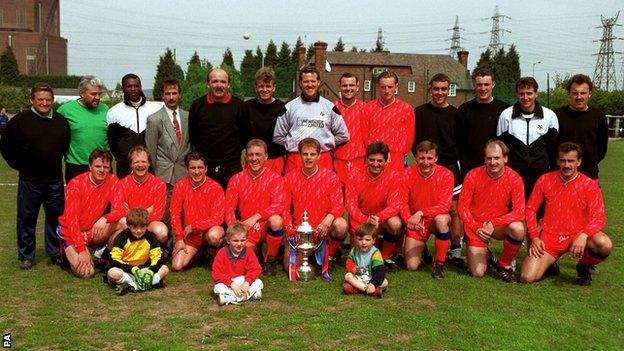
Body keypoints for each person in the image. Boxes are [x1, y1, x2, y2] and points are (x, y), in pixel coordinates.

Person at [0, 82, 70, 269]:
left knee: (55, 219)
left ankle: (55, 253)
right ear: (32, 99)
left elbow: (64, 146)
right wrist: (19, 165)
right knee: (26, 219)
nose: (44, 103)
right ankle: (26, 255)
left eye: (48, 100)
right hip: (29, 181)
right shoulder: (19, 121)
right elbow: (5, 147)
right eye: (40, 99)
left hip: (54, 181)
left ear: (53, 101)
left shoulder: (61, 121)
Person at [520, 142, 611, 285]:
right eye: (563, 160)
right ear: (557, 161)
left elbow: (599, 217)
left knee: (604, 244)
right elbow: (530, 209)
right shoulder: (545, 180)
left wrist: (584, 235)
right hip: (550, 238)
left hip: (578, 236)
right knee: (527, 277)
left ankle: (584, 266)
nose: (566, 165)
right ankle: (550, 264)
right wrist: (535, 237)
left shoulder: (589, 185)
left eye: (571, 161)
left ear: (579, 162)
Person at [413, 73, 464, 267]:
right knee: (420, 204)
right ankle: (422, 244)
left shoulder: (456, 114)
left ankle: (455, 250)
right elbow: (414, 141)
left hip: (449, 167)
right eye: (436, 88)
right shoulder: (419, 112)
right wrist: (423, 160)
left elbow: (461, 141)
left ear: (448, 90)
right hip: (424, 167)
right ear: (430, 89)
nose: (440, 92)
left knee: (453, 210)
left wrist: (450, 159)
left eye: (444, 89)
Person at [458, 140, 525, 282]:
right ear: (484, 159)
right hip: (476, 226)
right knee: (478, 272)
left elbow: (519, 211)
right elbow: (462, 208)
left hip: (498, 225)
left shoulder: (515, 178)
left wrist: (493, 223)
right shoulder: (472, 175)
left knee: (518, 228)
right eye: (489, 158)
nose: (492, 162)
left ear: (505, 158)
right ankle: (487, 255)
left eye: (497, 158)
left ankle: (503, 265)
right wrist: (476, 228)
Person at [283, 138, 348, 282]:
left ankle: (330, 253)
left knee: (341, 225)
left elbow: (338, 205)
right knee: (290, 267)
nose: (308, 157)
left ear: (319, 156)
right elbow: (284, 209)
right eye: (305, 154)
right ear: (299, 155)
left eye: (312, 154)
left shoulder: (331, 177)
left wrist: (327, 220)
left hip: (322, 230)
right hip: (300, 233)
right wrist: (290, 230)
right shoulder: (289, 178)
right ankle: (308, 256)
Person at [56, 148, 120, 277]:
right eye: (98, 166)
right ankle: (66, 251)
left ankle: (104, 256)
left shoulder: (113, 180)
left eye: (106, 167)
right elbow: (71, 220)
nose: (102, 170)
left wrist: (105, 218)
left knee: (124, 223)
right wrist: (81, 250)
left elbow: (121, 210)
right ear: (90, 166)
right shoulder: (76, 184)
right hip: (70, 232)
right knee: (87, 273)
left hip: (91, 230)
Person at [224, 139, 285, 275]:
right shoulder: (236, 179)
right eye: (251, 155)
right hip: (246, 227)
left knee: (276, 220)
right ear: (246, 157)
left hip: (265, 225)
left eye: (258, 154)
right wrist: (235, 229)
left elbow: (279, 205)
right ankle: (254, 253)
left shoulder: (275, 178)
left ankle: (270, 259)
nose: (254, 158)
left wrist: (256, 217)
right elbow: (228, 208)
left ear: (266, 157)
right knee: (239, 265)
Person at [273, 66, 349, 173]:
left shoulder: (329, 107)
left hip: (322, 159)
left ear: (318, 82)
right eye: (306, 82)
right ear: (300, 83)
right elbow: (278, 136)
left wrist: (326, 142)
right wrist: (293, 143)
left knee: (323, 189)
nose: (309, 85)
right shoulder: (289, 107)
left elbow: (343, 135)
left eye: (312, 81)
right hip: (296, 159)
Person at [497, 77, 559, 199]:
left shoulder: (550, 116)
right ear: (517, 94)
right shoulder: (506, 115)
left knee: (539, 215)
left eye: (529, 93)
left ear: (536, 94)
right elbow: (500, 149)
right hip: (514, 175)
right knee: (515, 214)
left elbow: (553, 149)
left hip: (541, 175)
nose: (525, 97)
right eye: (521, 94)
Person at [188, 68, 250, 189]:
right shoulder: (197, 106)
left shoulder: (240, 106)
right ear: (208, 84)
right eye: (215, 81)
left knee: (231, 205)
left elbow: (245, 136)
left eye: (223, 81)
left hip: (232, 167)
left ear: (228, 84)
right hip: (205, 169)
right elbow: (193, 136)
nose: (219, 85)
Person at [346, 141, 403, 270]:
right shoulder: (354, 173)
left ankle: (384, 257)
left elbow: (395, 205)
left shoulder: (394, 176)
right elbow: (350, 204)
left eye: (379, 160)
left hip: (380, 220)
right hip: (360, 219)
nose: (375, 164)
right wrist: (364, 219)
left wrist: (378, 217)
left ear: (386, 160)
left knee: (395, 223)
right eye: (372, 160)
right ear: (366, 159)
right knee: (358, 260)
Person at [402, 141, 454, 278]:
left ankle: (439, 264)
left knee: (441, 220)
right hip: (417, 222)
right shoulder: (407, 174)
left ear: (436, 158)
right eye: (422, 158)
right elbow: (402, 202)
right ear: (416, 158)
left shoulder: (446, 174)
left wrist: (421, 213)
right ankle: (423, 250)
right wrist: (409, 220)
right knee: (411, 266)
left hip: (435, 218)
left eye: (430, 158)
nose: (426, 162)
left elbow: (445, 205)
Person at [145, 76, 191, 226]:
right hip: (165, 174)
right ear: (162, 95)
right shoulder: (154, 119)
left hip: (184, 172)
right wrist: (157, 172)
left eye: (174, 93)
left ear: (180, 94)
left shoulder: (188, 117)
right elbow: (150, 150)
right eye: (168, 94)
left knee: (184, 210)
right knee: (165, 212)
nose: (171, 97)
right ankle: (165, 246)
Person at [169, 152, 225, 271]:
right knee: (177, 266)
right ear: (187, 169)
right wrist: (179, 239)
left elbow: (218, 218)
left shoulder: (215, 187)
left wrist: (194, 226)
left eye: (200, 168)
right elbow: (174, 213)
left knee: (214, 235)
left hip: (208, 232)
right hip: (190, 236)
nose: (196, 171)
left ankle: (214, 250)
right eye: (192, 168)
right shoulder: (180, 186)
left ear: (206, 169)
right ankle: (199, 253)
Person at [107, 146, 168, 244]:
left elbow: (158, 214)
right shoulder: (121, 184)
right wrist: (147, 211)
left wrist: (131, 212)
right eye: (136, 162)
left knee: (162, 232)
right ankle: (110, 250)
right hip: (129, 224)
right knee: (120, 228)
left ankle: (150, 251)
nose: (140, 165)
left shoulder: (159, 184)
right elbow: (118, 211)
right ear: (130, 164)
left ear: (149, 164)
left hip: (150, 223)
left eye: (143, 161)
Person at [107, 73, 162, 178]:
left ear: (140, 87)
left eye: (136, 86)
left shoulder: (155, 109)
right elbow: (112, 142)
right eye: (129, 86)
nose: (133, 89)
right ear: (123, 88)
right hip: (125, 167)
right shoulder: (114, 112)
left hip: (149, 166)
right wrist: (123, 159)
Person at [555, 74, 608, 180]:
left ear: (589, 94)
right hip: (561, 177)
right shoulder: (557, 115)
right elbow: (551, 146)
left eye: (583, 93)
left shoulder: (598, 116)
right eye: (575, 93)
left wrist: (589, 164)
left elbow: (602, 148)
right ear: (569, 94)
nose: (579, 97)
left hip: (589, 176)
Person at [57, 75, 109, 183]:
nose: (98, 97)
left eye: (100, 94)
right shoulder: (66, 110)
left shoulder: (105, 109)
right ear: (82, 93)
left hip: (102, 166)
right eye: (93, 94)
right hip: (76, 167)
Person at [457, 69, 509, 175]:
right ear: (475, 85)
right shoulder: (464, 109)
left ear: (493, 84)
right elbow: (458, 140)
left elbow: (507, 141)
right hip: (469, 168)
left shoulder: (504, 110)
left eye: (486, 84)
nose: (483, 88)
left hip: (495, 167)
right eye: (479, 85)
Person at [106, 207, 169, 295]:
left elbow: (157, 257)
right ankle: (152, 282)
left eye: (142, 227)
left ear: (147, 226)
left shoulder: (151, 237)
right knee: (112, 273)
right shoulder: (122, 237)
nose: (139, 231)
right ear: (128, 225)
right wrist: (132, 269)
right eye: (135, 227)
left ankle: (131, 286)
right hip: (127, 271)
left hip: (144, 270)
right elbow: (114, 259)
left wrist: (151, 270)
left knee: (164, 269)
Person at [363, 70, 415, 173]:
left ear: (396, 87)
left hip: (397, 158)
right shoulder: (368, 108)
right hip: (374, 158)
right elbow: (365, 134)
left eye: (390, 87)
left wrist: (401, 152)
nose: (387, 91)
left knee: (396, 187)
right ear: (378, 87)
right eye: (383, 87)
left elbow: (410, 136)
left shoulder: (406, 109)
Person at [245, 67, 288, 174]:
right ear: (255, 88)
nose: (264, 90)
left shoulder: (283, 108)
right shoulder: (246, 107)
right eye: (261, 86)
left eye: (268, 86)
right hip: (252, 160)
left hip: (276, 160)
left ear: (274, 87)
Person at [212, 222, 263, 306]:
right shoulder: (222, 253)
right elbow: (216, 273)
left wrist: (246, 283)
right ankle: (249, 295)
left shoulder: (249, 252)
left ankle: (230, 298)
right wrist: (232, 284)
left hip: (243, 280)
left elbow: (256, 269)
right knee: (218, 287)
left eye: (243, 240)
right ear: (228, 240)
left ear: (247, 239)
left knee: (259, 282)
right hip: (228, 282)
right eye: (235, 240)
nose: (239, 244)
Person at [333, 72, 367, 184]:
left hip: (360, 161)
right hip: (337, 161)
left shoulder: (366, 108)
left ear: (357, 87)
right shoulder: (332, 109)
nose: (348, 88)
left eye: (351, 85)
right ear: (340, 87)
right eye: (345, 85)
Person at [343, 222, 388, 297]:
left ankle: (357, 289)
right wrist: (353, 268)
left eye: (367, 240)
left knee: (385, 282)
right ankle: (367, 289)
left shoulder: (375, 253)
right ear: (356, 239)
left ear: (373, 241)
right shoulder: (354, 251)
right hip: (358, 278)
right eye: (360, 239)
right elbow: (349, 262)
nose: (363, 242)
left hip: (372, 278)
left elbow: (379, 270)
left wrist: (373, 284)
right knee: (348, 276)